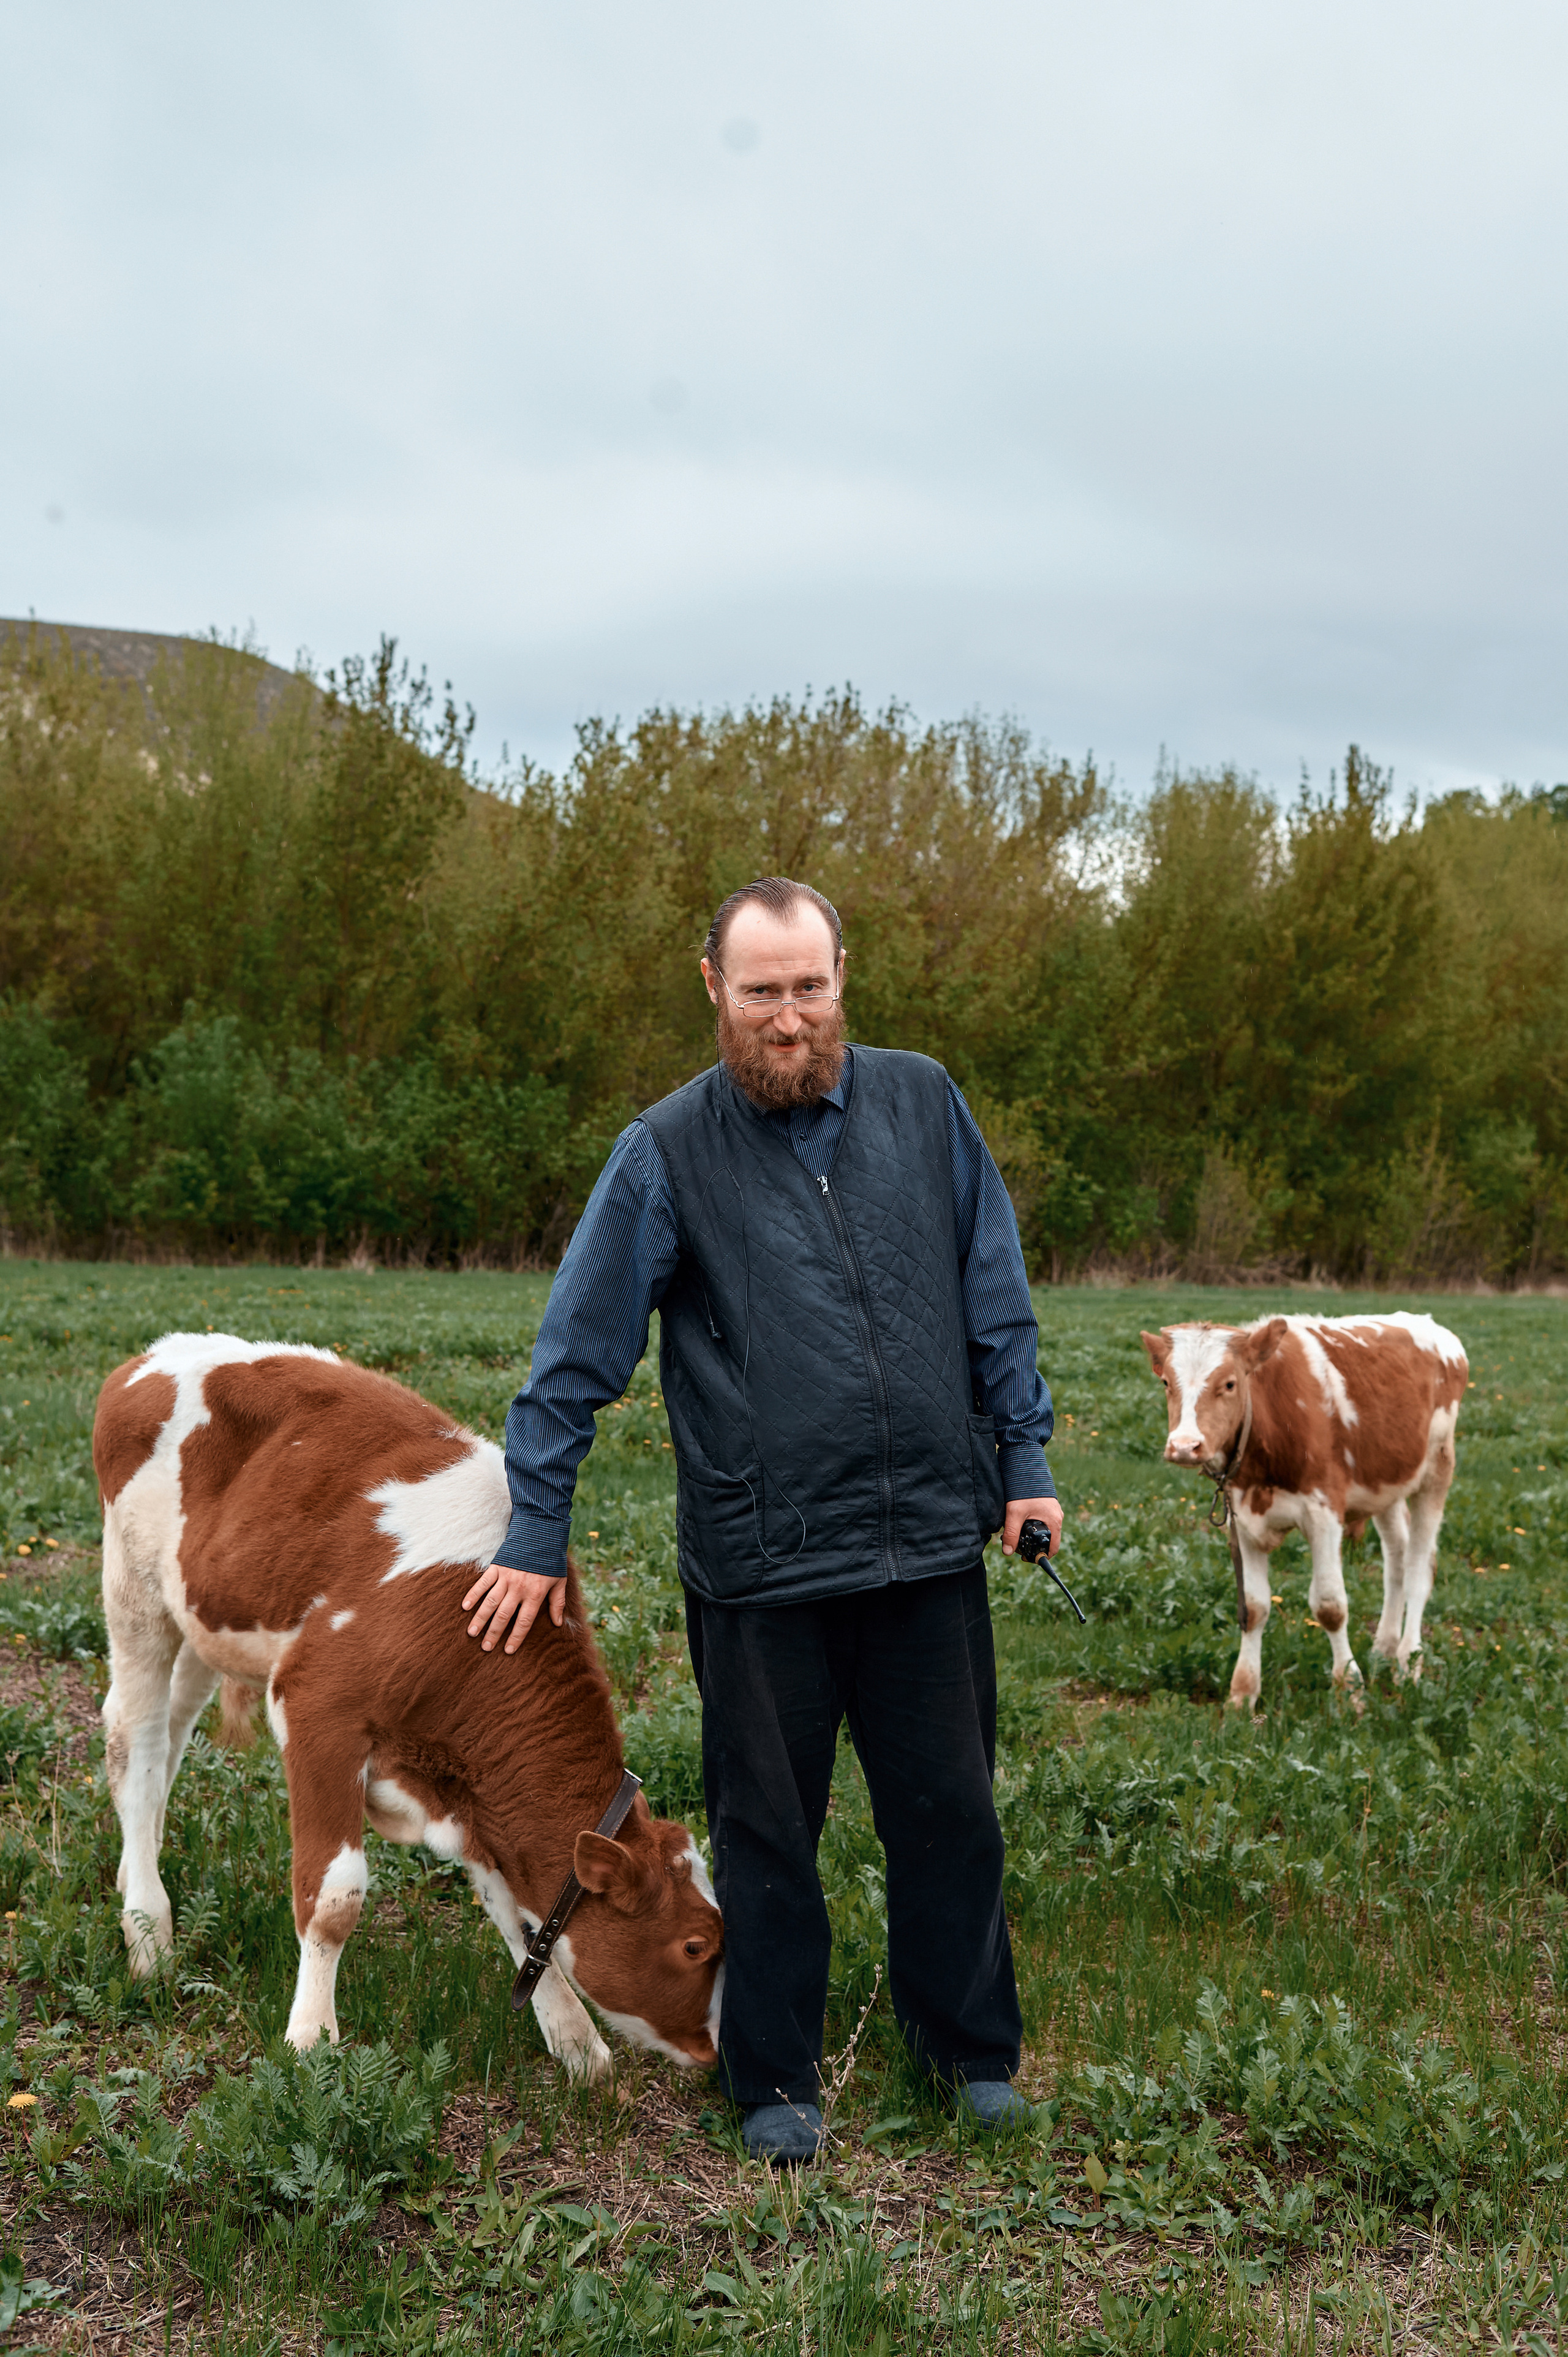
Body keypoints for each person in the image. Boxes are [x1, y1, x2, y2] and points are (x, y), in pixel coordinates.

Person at [462, 877, 1064, 2162]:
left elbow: (991, 1295)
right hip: (761, 1562)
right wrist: (531, 1534)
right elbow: (575, 1355)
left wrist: (1022, 1459)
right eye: (759, 992)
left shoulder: (924, 1105)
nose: (786, 1019)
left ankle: (966, 2051)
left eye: (808, 987)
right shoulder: (666, 1150)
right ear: (712, 990)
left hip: (920, 1548)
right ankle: (774, 2073)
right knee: (767, 1832)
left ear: (842, 976)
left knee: (949, 1811)